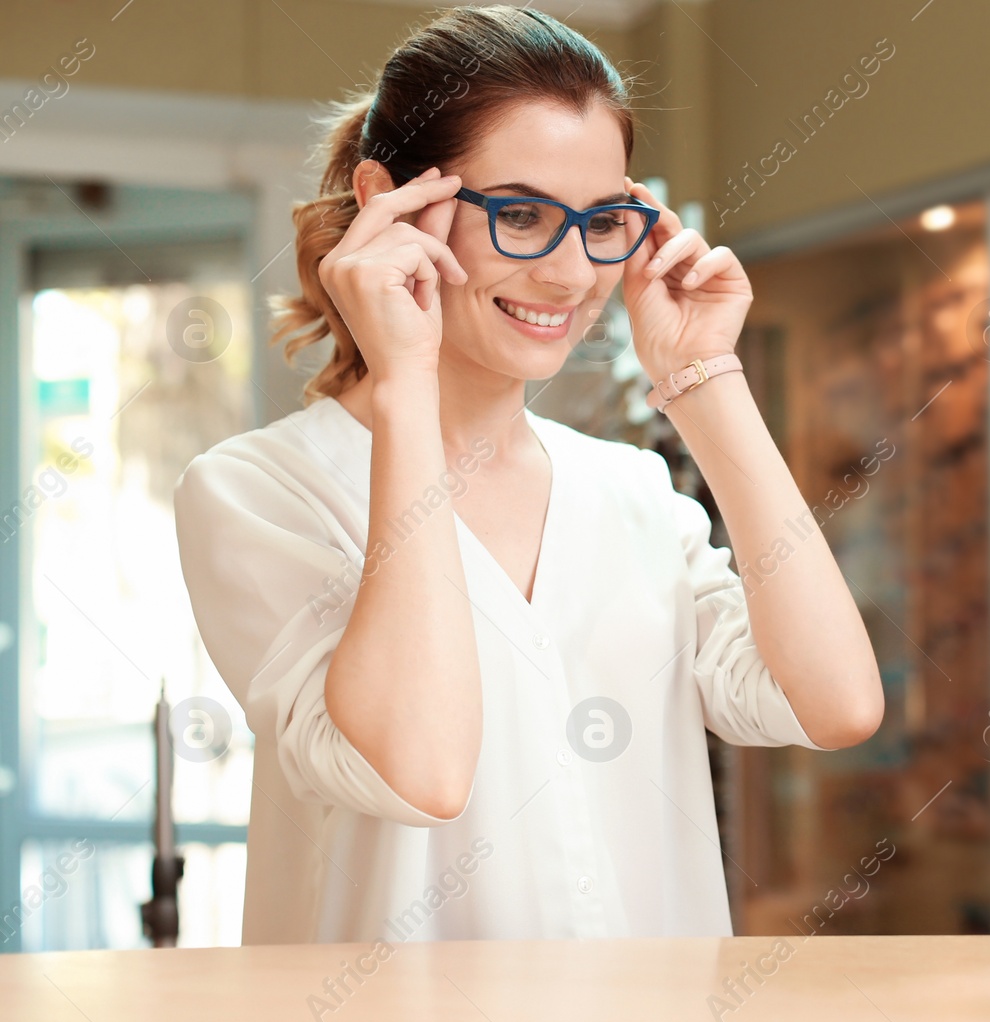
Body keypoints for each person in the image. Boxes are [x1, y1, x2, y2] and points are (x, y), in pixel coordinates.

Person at [173, 5, 882, 946]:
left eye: (603, 223)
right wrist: (407, 378)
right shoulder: (256, 492)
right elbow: (421, 770)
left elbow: (836, 703)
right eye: (520, 215)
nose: (570, 270)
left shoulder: (632, 492)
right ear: (390, 201)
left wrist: (702, 377)